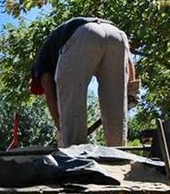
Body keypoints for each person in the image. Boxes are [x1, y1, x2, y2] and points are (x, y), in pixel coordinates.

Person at [30, 17, 138, 147]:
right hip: (117, 35)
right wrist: (131, 90)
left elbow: (51, 98)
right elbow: (128, 60)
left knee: (72, 109)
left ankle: (73, 156)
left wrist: (62, 130)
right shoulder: (53, 47)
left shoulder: (40, 65)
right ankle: (119, 157)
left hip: (84, 34)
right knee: (116, 107)